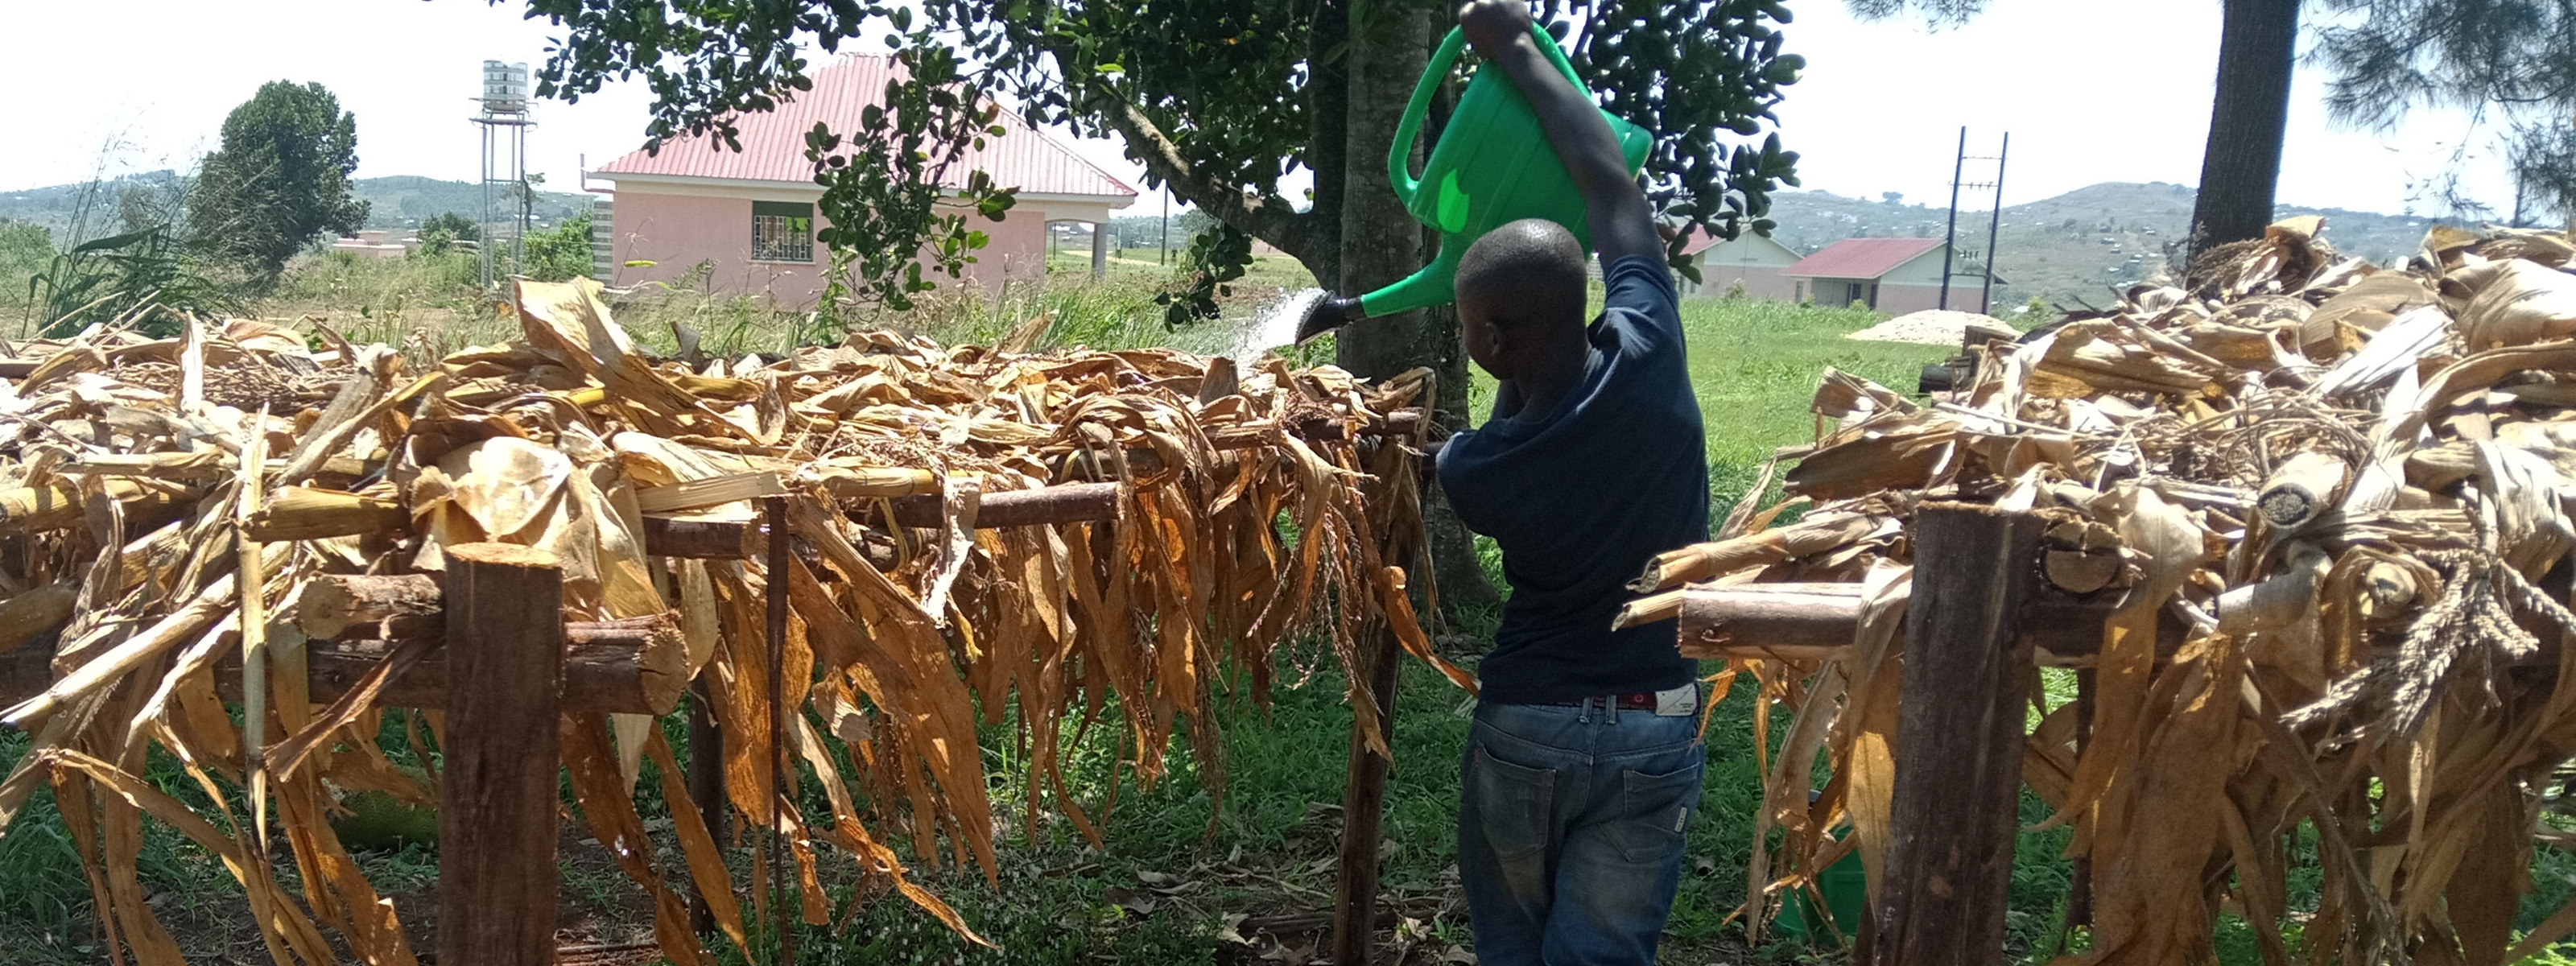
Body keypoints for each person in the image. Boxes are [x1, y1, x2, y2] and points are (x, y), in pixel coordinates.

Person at [1438, 2, 1710, 963]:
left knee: (1513, 950)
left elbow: (1513, 418)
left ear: (1490, 338)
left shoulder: (1476, 469)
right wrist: (1511, 44)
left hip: (1529, 726)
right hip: (1654, 724)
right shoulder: (1648, 346)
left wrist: (1500, 354)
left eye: (1474, 327)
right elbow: (1608, 185)